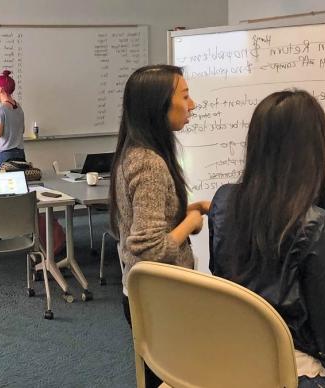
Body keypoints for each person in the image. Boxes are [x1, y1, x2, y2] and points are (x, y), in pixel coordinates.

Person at [208, 90, 325, 387]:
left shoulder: (223, 201)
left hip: (238, 357)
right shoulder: (317, 225)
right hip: (290, 371)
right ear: (313, 149)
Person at [109, 64, 210, 387]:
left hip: (147, 295)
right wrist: (191, 222)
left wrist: (185, 213)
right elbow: (148, 248)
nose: (192, 104)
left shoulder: (136, 153)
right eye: (185, 96)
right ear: (159, 105)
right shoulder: (150, 164)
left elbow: (147, 225)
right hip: (159, 299)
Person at [0, 70, 26, 169]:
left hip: (5, 156)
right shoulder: (19, 107)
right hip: (20, 154)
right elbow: (22, 130)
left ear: (1, 90)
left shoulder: (0, 109)